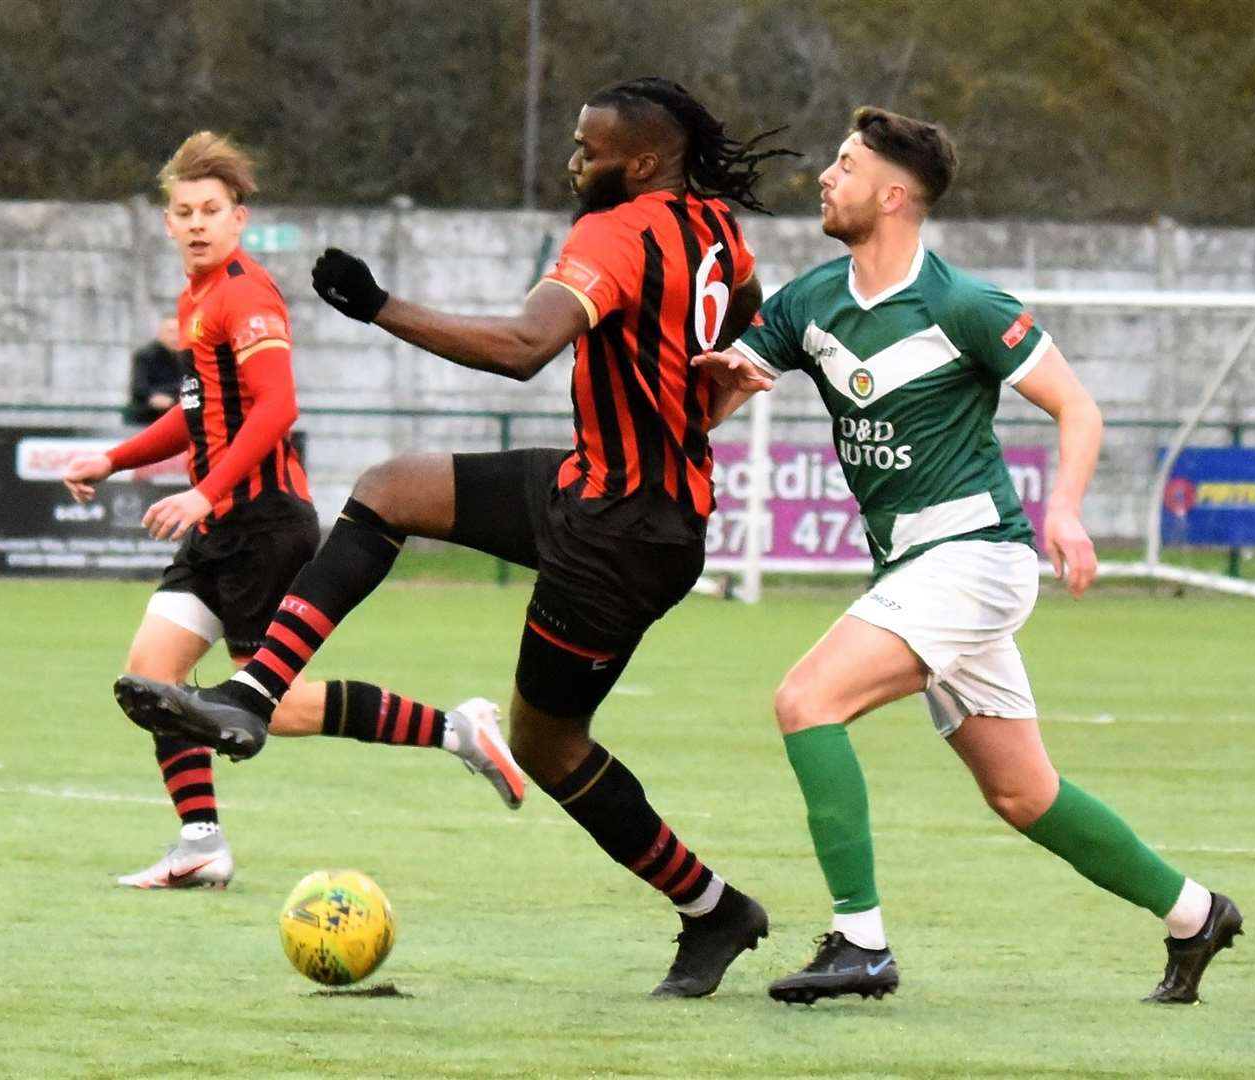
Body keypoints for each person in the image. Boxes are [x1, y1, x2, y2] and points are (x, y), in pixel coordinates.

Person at [114, 77, 793, 998]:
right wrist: (727, 374)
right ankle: (251, 691)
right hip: (603, 491)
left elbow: (523, 347)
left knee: (549, 747)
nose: (574, 161)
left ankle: (715, 910)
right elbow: (750, 311)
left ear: (640, 162)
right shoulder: (714, 225)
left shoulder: (618, 229)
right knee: (392, 488)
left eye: (589, 149)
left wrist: (381, 305)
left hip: (618, 538)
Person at [692, 107, 1243, 1006]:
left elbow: (1079, 408)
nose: (825, 177)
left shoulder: (963, 305)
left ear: (895, 194)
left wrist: (1064, 511)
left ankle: (861, 943)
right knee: (1024, 794)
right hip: (911, 570)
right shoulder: (809, 303)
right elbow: (728, 388)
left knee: (806, 700)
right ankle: (1195, 913)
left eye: (845, 164)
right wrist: (719, 384)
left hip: (973, 557)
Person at [63, 131, 523, 890]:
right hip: (220, 529)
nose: (199, 222)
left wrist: (206, 491)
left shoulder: (244, 294)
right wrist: (113, 459)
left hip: (263, 523)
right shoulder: (196, 299)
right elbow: (199, 414)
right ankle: (201, 843)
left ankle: (457, 728)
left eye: (212, 208)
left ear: (239, 217)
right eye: (185, 211)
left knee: (261, 703)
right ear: (169, 224)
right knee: (154, 680)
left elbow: (277, 407)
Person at [124, 317, 182, 425]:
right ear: (160, 334)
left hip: (177, 411)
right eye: (171, 332)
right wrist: (156, 397)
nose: (175, 337)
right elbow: (139, 388)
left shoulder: (188, 356)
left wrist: (171, 398)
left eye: (179, 332)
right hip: (147, 413)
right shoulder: (145, 355)